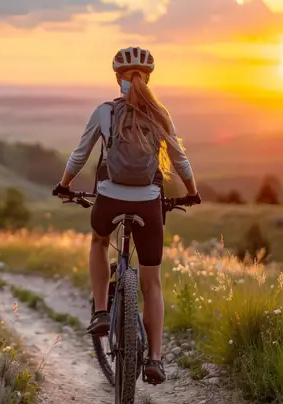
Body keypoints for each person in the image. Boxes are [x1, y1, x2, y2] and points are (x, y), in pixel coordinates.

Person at [52, 46, 201, 385]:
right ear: (148, 77)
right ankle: (155, 360)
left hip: (109, 198)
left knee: (98, 241)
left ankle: (102, 312)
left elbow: (78, 157)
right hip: (149, 202)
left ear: (117, 77)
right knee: (152, 282)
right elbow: (180, 161)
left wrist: (64, 185)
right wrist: (192, 192)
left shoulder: (105, 112)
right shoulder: (160, 114)